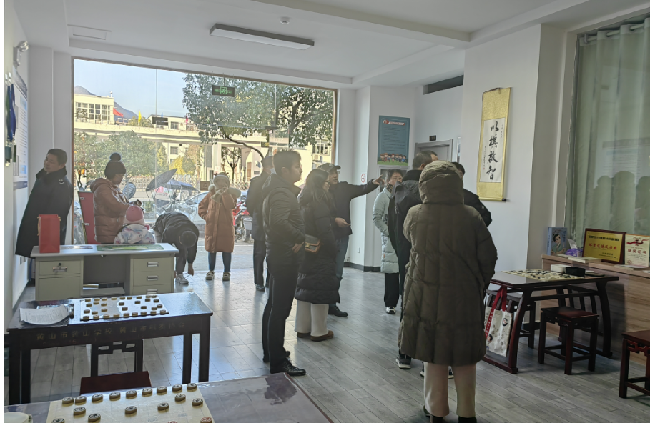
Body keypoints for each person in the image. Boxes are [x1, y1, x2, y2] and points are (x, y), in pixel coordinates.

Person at [399, 161, 497, 423]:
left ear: (424, 186)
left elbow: (409, 240)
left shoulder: (415, 214)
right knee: (465, 358)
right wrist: (478, 284)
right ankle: (467, 413)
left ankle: (436, 411)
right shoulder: (471, 216)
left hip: (426, 296)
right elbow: (488, 256)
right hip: (464, 296)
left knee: (434, 357)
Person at [388, 151, 435, 370]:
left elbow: (391, 226)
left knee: (407, 301)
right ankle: (428, 359)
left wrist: (401, 251)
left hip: (405, 253)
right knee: (430, 305)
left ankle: (404, 353)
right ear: (424, 166)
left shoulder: (398, 189)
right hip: (430, 255)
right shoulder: (430, 190)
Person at [261, 150, 306, 376]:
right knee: (280, 309)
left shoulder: (277, 189)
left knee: (273, 306)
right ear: (285, 170)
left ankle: (271, 352)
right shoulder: (281, 193)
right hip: (284, 257)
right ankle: (278, 362)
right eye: (297, 166)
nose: (301, 170)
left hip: (279, 254)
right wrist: (299, 237)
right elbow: (278, 222)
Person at [318, 163, 382, 317]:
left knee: (338, 273)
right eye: (331, 173)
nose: (335, 175)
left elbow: (361, 189)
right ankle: (320, 305)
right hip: (324, 238)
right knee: (323, 273)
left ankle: (331, 305)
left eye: (336, 172)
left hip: (342, 236)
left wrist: (373, 183)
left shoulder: (344, 188)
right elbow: (316, 216)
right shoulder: (318, 192)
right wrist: (334, 220)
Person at [294, 169, 339, 342]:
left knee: (305, 290)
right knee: (320, 291)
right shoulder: (320, 202)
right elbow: (324, 231)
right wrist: (333, 249)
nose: (328, 185)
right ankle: (319, 331)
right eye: (326, 182)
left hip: (305, 249)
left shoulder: (302, 200)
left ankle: (302, 328)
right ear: (320, 184)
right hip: (320, 252)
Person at [16, 149, 73, 259]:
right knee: (33, 259)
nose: (47, 163)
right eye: (46, 159)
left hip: (46, 234)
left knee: (44, 262)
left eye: (52, 161)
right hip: (32, 227)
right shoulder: (43, 178)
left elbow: (57, 216)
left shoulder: (62, 185)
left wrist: (46, 236)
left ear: (61, 165)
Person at [198, 173, 240, 282]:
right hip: (212, 227)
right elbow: (201, 206)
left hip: (226, 228)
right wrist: (205, 216)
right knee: (211, 250)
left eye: (223, 182)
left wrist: (225, 194)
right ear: (215, 183)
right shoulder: (210, 194)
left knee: (227, 250)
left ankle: (227, 272)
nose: (221, 184)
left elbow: (230, 206)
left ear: (227, 183)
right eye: (218, 181)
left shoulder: (231, 194)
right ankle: (211, 271)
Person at [372, 169, 403, 314]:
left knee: (403, 271)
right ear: (388, 180)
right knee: (391, 272)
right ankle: (390, 303)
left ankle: (404, 303)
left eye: (400, 178)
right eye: (395, 178)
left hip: (403, 237)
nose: (398, 180)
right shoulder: (382, 197)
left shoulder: (404, 195)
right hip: (390, 239)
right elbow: (377, 218)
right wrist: (389, 232)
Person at [246, 156, 274, 291]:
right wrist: (257, 213)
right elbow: (250, 202)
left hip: (274, 222)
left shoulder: (277, 181)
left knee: (272, 254)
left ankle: (270, 280)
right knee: (259, 253)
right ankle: (259, 281)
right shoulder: (257, 182)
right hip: (260, 221)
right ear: (267, 167)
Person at [90, 153, 130, 244]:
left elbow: (122, 204)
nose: (121, 178)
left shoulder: (114, 188)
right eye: (120, 175)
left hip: (114, 232)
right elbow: (116, 206)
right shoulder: (103, 188)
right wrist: (131, 207)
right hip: (108, 233)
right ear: (113, 174)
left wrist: (132, 205)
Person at [153, 212, 199, 284]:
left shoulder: (194, 233)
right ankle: (161, 273)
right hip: (161, 223)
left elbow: (193, 250)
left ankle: (179, 275)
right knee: (161, 252)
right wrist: (170, 270)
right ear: (179, 238)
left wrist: (190, 266)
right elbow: (166, 252)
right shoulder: (169, 232)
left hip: (179, 219)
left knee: (182, 251)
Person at [451, 162, 492, 227]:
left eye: (460, 174)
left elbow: (486, 217)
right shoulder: (435, 195)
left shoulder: (469, 197)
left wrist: (469, 226)